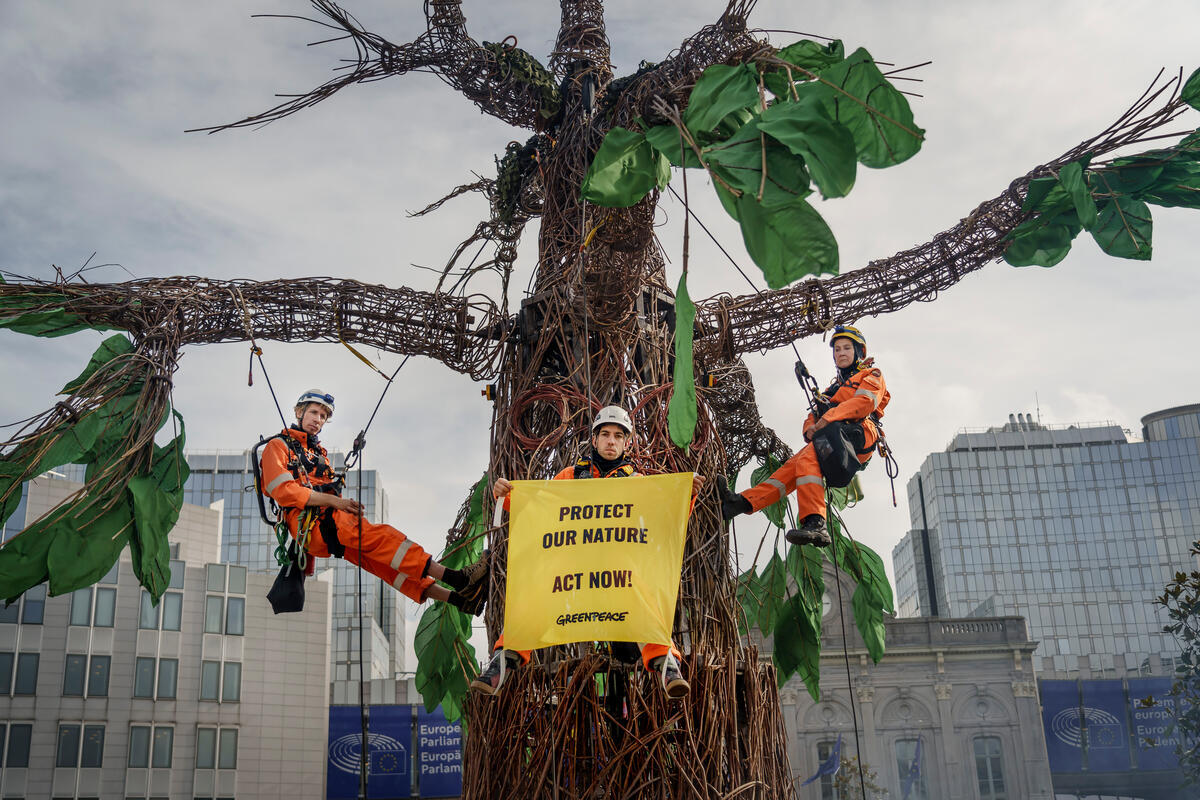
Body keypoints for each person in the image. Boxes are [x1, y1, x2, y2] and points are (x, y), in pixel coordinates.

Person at [471, 405, 704, 699]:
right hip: (573, 574)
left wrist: (686, 495)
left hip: (619, 576)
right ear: (594, 439)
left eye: (618, 436)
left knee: (645, 606)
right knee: (534, 601)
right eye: (605, 434)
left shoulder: (638, 484)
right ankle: (503, 661)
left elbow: (665, 520)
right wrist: (507, 497)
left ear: (627, 443)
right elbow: (539, 507)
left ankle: (666, 665)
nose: (611, 441)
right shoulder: (571, 477)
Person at [261, 389, 489, 614]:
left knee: (384, 564)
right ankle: (459, 579)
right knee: (383, 539)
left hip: (324, 525)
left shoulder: (318, 454)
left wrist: (335, 499)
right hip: (311, 525)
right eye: (313, 412)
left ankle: (462, 601)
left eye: (323, 416)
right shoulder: (278, 446)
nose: (318, 420)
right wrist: (334, 501)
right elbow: (281, 489)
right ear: (299, 412)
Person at [719, 325, 890, 547]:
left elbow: (865, 402)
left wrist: (827, 418)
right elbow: (813, 414)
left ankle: (816, 523)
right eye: (837, 349)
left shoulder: (871, 375)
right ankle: (743, 502)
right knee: (795, 466)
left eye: (847, 348)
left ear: (859, 352)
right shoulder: (833, 388)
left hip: (859, 433)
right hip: (834, 433)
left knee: (809, 458)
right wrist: (810, 428)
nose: (841, 353)